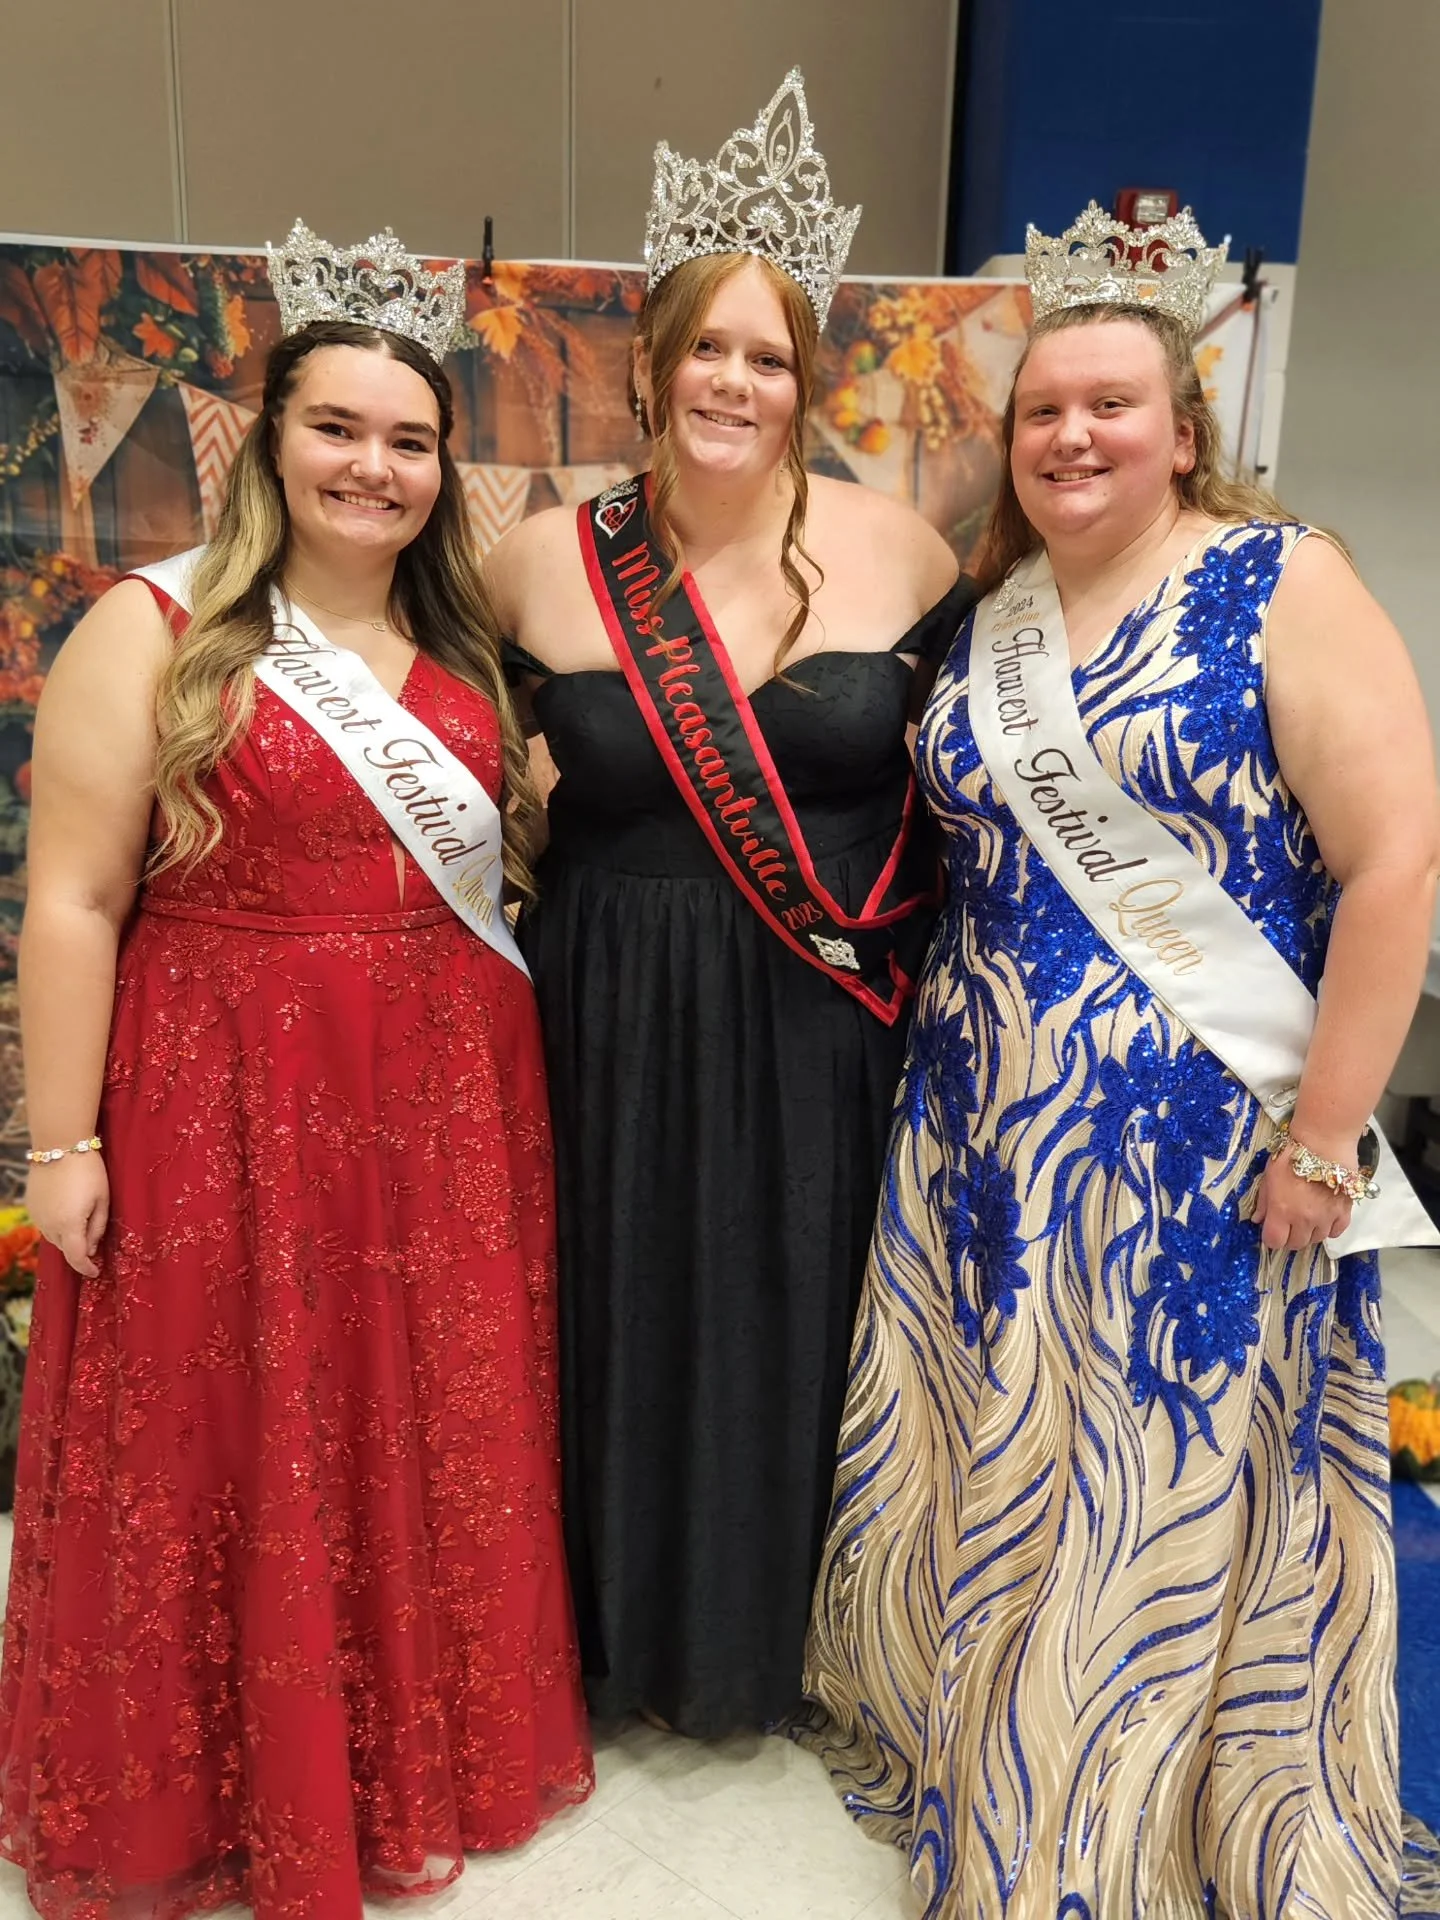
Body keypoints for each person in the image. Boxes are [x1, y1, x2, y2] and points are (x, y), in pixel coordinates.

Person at [802, 202, 1440, 1918]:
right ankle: (986, 1768)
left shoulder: (1279, 578)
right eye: (1043, 412)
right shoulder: (999, 606)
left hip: (1198, 1143)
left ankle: (1102, 1839)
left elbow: (1399, 864)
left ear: (1183, 427)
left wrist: (1324, 1143)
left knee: (1141, 1481)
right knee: (1007, 1455)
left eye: (1111, 406)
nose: (1073, 435)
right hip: (983, 1120)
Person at [0, 222, 591, 1920]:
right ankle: (237, 1787)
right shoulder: (158, 624)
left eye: (411, 441)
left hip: (439, 1096)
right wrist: (60, 1146)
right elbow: (75, 896)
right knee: (228, 1419)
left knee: (413, 1421)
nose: (374, 466)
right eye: (338, 428)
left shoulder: (468, 650)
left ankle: (412, 1754)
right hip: (223, 1089)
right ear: (270, 440)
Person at [488, 70, 970, 1737]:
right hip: (606, 1001)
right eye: (709, 347)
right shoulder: (539, 558)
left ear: (806, 378)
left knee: (797, 1299)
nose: (736, 382)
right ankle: (611, 1640)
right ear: (652, 360)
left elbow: (977, 789)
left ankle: (790, 1639)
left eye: (770, 356)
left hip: (815, 1003)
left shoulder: (906, 550)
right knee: (614, 1305)